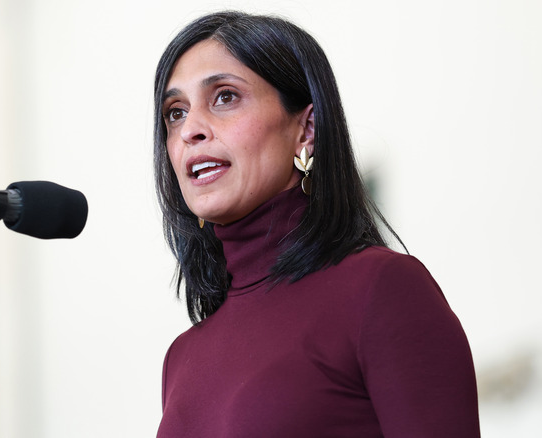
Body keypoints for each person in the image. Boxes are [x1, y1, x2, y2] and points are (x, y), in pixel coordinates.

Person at [153, 11, 480, 438]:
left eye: (225, 97)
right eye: (176, 112)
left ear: (306, 129)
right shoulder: (182, 357)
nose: (190, 129)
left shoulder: (381, 289)